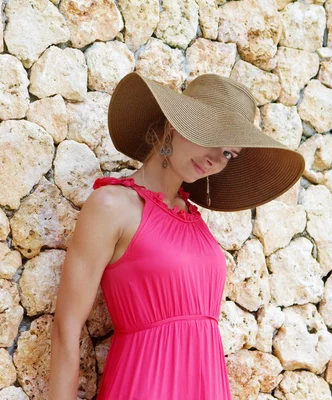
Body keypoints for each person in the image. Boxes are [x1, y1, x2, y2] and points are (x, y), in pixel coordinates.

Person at [48, 71, 305, 399]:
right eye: (211, 139)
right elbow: (66, 330)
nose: (215, 159)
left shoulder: (193, 221)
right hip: (144, 387)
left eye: (228, 153)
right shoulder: (113, 205)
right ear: (174, 124)